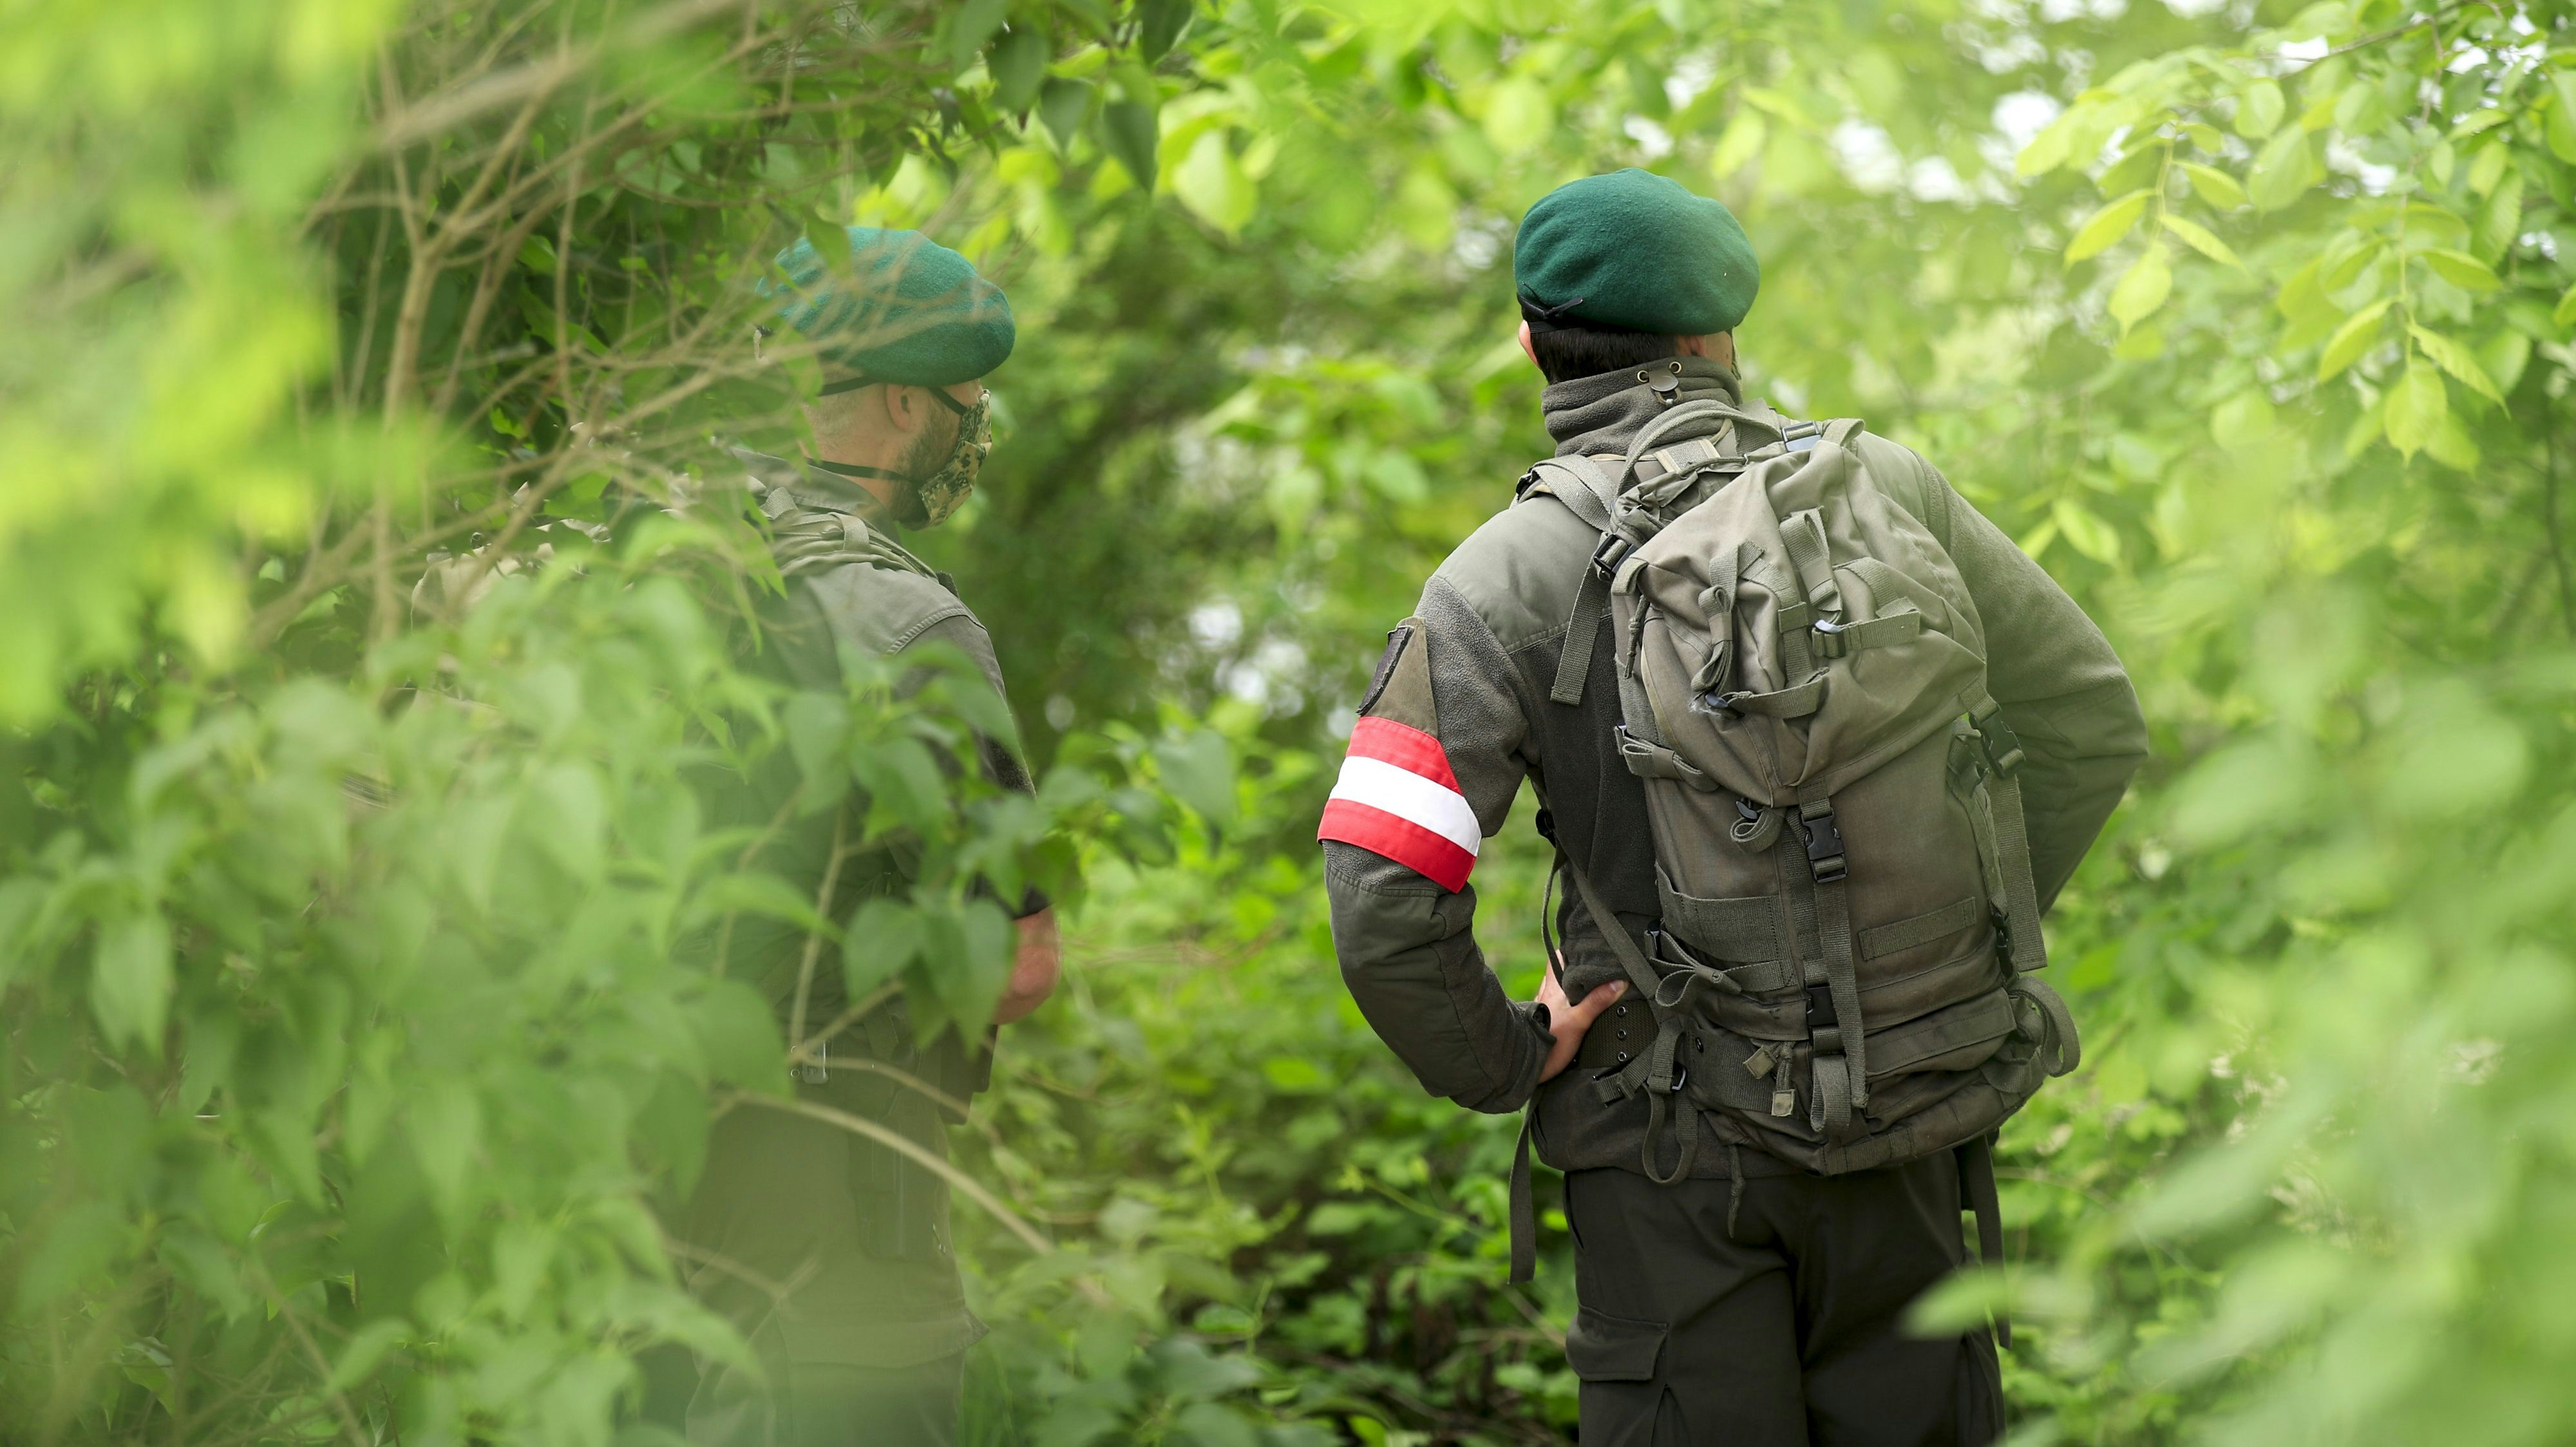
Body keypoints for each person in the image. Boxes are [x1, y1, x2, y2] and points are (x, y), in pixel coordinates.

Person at [1317, 170, 2147, 1445]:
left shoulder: (1501, 577)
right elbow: (2088, 715)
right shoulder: (1883, 493)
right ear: (1717, 335)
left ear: (1532, 346)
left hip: (1662, 1153)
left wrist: (1507, 1055)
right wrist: (1935, 946)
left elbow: (1380, 886)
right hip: (1908, 1113)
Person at [662, 226, 1060, 1447]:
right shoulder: (905, 627)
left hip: (594, 1194)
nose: (973, 428)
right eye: (967, 401)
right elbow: (1017, 967)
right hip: (823, 1212)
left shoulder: (628, 549)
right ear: (904, 404)